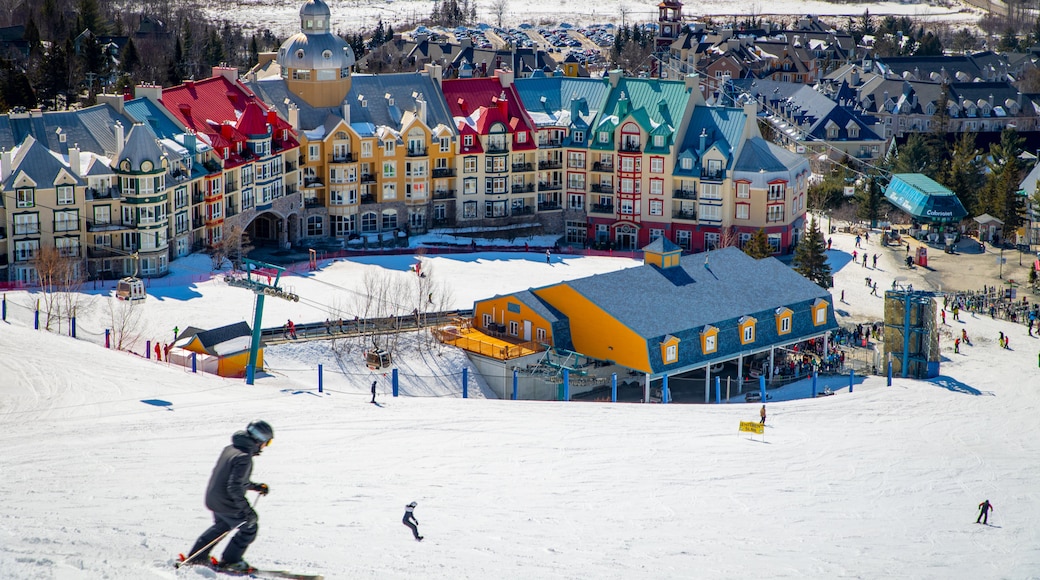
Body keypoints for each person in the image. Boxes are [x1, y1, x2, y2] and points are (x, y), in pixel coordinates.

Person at [185, 420, 273, 572]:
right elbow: (234, 487)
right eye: (268, 443)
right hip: (226, 501)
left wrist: (255, 486)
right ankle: (231, 561)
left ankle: (197, 557)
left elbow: (232, 479)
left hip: (213, 498)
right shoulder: (244, 457)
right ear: (259, 440)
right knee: (249, 527)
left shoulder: (231, 448)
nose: (266, 447)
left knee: (222, 526)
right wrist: (248, 512)